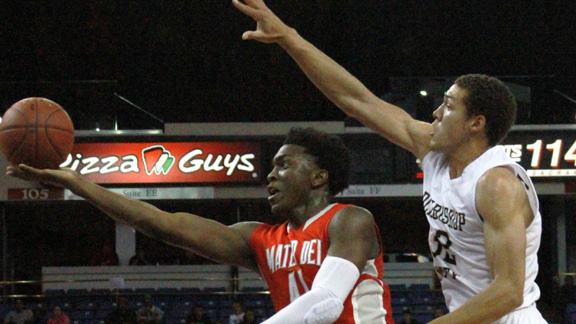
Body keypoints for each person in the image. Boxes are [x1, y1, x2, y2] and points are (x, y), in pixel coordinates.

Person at [233, 1, 548, 323]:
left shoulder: (496, 184)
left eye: (449, 106)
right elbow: (356, 100)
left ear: (475, 124)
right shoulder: (434, 152)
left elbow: (508, 292)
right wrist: (289, 37)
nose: (436, 113)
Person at [6, 127, 394, 324]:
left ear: (319, 177)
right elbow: (160, 224)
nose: (270, 177)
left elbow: (325, 304)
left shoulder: (349, 219)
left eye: (283, 165)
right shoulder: (261, 238)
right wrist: (78, 184)